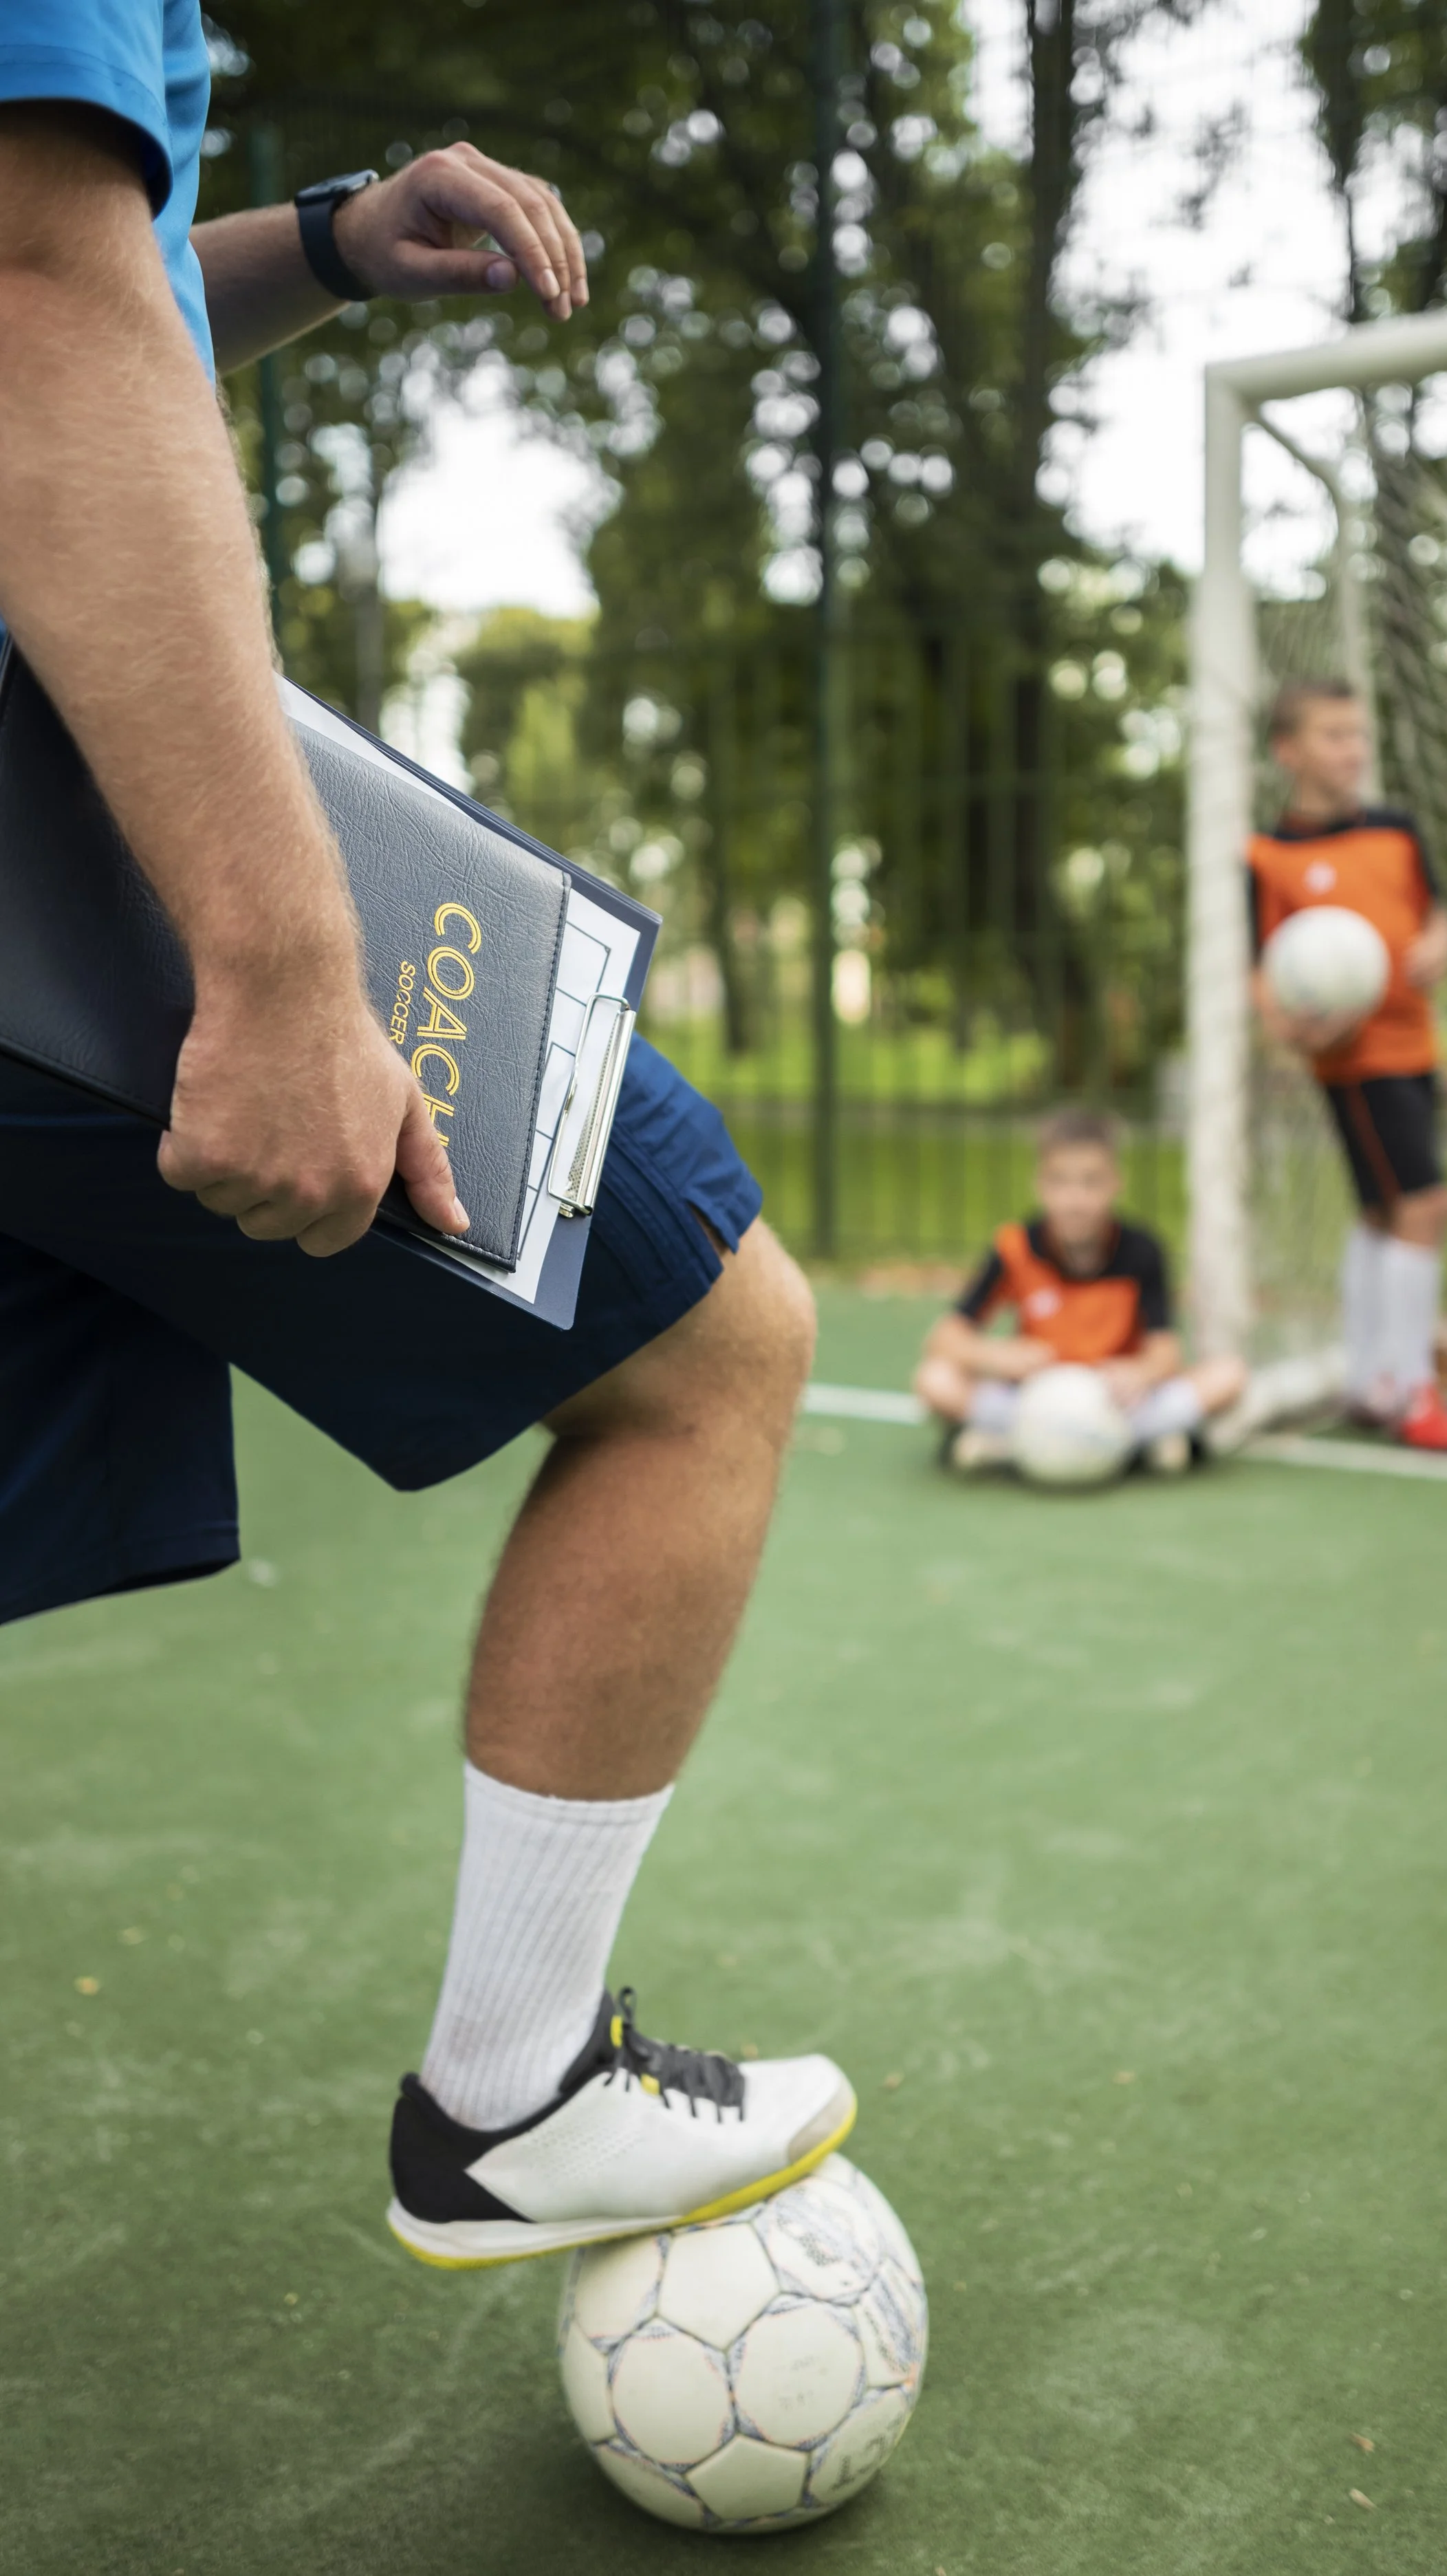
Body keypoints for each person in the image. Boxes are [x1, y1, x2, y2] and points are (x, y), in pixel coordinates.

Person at [0, 7, 853, 2269]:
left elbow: (102, 271)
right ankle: (513, 2101)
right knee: (701, 1339)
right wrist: (285, 965)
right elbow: (36, 300)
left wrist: (331, 249)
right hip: (38, 847)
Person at [1248, 679, 1447, 1454]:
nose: (1351, 749)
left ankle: (1368, 1378)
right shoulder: (1269, 855)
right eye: (1332, 735)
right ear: (1289, 752)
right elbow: (1263, 978)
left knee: (1383, 1210)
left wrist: (1442, 941)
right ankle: (1411, 1387)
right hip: (1355, 1060)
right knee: (1426, 1204)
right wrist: (1295, 1027)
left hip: (1416, 1048)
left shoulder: (1397, 831)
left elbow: (1435, 913)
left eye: (1356, 734)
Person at [913, 1108, 1246, 1473]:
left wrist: (1140, 1373)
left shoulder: (1142, 1250)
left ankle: (1012, 1448)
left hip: (1117, 1403)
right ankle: (1135, 1449)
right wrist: (996, 1356)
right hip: (1032, 1400)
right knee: (935, 1380)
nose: (1076, 1200)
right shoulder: (1015, 1248)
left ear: (1115, 1183)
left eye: (1091, 1182)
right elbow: (944, 1338)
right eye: (1060, 1182)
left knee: (1229, 1376)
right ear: (1040, 1184)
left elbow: (1164, 1351)